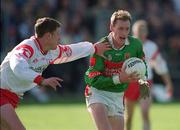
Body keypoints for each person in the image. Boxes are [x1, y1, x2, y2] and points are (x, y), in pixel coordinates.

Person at [0, 17, 110, 130]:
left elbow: (71, 51)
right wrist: (41, 80)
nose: (60, 37)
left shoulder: (51, 51)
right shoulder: (28, 48)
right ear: (48, 36)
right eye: (58, 34)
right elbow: (17, 66)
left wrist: (94, 48)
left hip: (12, 95)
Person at [84, 10, 150, 130]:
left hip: (118, 96)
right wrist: (119, 79)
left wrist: (143, 80)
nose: (124, 33)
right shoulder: (101, 47)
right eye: (120, 28)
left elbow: (142, 65)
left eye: (127, 29)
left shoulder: (136, 45)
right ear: (111, 27)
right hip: (98, 93)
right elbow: (92, 78)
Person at [124, 20, 174, 130]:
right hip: (130, 83)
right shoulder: (126, 44)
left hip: (145, 82)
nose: (141, 33)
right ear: (134, 31)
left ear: (147, 32)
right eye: (139, 31)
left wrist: (168, 84)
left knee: (145, 113)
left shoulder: (152, 46)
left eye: (143, 30)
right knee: (128, 117)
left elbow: (161, 66)